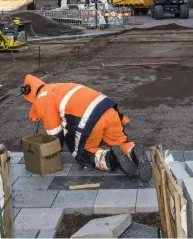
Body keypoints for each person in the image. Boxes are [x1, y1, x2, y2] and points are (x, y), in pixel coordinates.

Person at [20, 74, 152, 181]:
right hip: (108, 109)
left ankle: (111, 159)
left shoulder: (42, 98)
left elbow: (55, 133)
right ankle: (133, 151)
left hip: (90, 118)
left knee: (84, 153)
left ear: (29, 94)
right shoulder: (56, 87)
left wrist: (52, 151)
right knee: (119, 141)